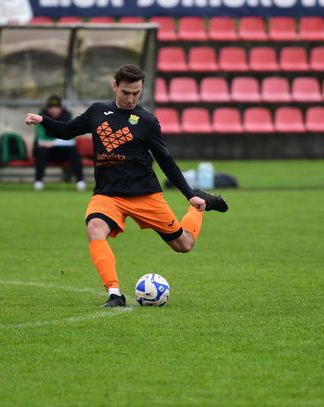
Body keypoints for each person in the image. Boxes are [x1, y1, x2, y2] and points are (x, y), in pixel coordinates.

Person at [25, 64, 228, 307]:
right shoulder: (97, 112)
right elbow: (68, 131)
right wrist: (43, 120)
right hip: (108, 195)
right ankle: (115, 294)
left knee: (184, 245)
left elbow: (165, 160)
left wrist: (189, 195)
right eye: (126, 92)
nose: (131, 99)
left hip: (145, 195)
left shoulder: (147, 121)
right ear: (115, 86)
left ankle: (199, 206)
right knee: (95, 229)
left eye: (136, 93)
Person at [33, 95, 86, 191]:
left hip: (62, 152)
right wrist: (58, 142)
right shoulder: (41, 117)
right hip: (48, 152)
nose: (53, 110)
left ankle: (80, 181)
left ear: (60, 108)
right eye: (51, 107)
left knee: (73, 151)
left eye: (56, 107)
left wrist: (53, 142)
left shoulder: (67, 116)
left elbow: (71, 141)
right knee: (42, 151)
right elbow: (41, 140)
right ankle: (38, 181)